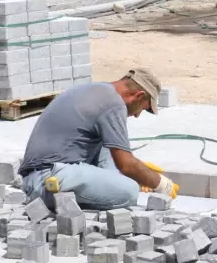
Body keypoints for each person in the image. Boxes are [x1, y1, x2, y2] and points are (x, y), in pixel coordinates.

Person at [19, 69, 177, 211]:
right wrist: (161, 184)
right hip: (47, 179)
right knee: (129, 192)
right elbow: (127, 165)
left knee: (108, 144)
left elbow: (118, 156)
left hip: (45, 171)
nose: (137, 115)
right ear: (138, 96)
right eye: (144, 108)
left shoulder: (99, 90)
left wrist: (140, 173)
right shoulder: (114, 104)